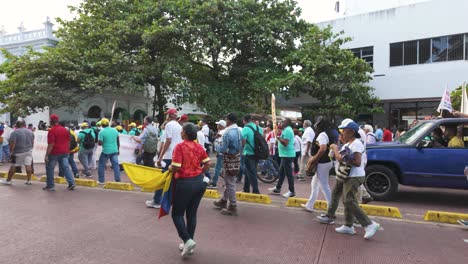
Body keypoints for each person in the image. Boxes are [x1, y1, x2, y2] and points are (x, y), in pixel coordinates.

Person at [323, 119, 381, 239]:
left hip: (355, 176)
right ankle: (348, 225)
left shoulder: (356, 144)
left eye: (343, 130)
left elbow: (357, 162)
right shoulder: (349, 144)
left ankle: (369, 224)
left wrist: (337, 151)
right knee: (347, 200)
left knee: (349, 201)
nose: (342, 132)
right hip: (349, 175)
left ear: (351, 131)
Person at [169, 122, 211, 257]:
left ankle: (187, 240)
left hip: (185, 183)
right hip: (199, 183)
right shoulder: (199, 146)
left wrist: (170, 168)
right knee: (191, 214)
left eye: (182, 131)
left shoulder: (180, 146)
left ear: (186, 133)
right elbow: (207, 163)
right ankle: (190, 243)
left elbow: (175, 166)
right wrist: (201, 173)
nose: (180, 133)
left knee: (177, 214)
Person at [147, 108, 182, 209]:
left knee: (163, 179)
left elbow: (168, 141)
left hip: (168, 156)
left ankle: (157, 200)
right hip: (176, 156)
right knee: (173, 180)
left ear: (170, 116)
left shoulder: (169, 125)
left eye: (167, 114)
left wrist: (160, 157)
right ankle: (169, 200)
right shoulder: (179, 126)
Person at [300, 116, 335, 211]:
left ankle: (331, 208)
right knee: (314, 184)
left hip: (322, 163)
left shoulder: (322, 135)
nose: (315, 125)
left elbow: (323, 149)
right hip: (326, 161)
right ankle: (310, 205)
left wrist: (313, 159)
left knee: (324, 186)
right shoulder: (328, 133)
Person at [213, 113, 242, 215]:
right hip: (237, 157)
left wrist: (216, 143)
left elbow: (223, 149)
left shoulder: (227, 132)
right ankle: (224, 200)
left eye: (226, 119)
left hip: (229, 158)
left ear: (229, 120)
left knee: (230, 182)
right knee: (230, 180)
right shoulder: (239, 130)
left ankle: (233, 206)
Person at [44, 114, 76, 191]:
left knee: (50, 168)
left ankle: (50, 185)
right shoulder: (64, 129)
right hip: (65, 152)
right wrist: (67, 150)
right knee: (66, 167)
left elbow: (51, 144)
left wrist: (46, 155)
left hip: (55, 152)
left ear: (51, 121)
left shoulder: (52, 131)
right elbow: (68, 142)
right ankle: (71, 182)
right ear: (57, 121)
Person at [0, 119, 34, 185]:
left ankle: (8, 180)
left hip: (18, 152)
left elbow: (12, 144)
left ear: (17, 125)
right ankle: (29, 180)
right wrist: (30, 148)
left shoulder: (15, 132)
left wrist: (10, 152)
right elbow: (32, 142)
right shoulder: (30, 132)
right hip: (28, 151)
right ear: (24, 124)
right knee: (28, 165)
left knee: (13, 166)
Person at [268, 118, 296, 198]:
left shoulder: (287, 130)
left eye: (283, 122)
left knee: (289, 174)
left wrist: (278, 137)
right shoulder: (287, 130)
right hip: (285, 154)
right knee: (281, 172)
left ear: (287, 123)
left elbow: (285, 143)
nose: (281, 123)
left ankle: (292, 191)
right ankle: (278, 188)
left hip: (287, 155)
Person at [241, 114, 262, 194]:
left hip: (248, 152)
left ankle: (256, 190)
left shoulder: (245, 128)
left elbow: (243, 142)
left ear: (244, 120)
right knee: (248, 171)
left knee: (251, 172)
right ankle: (246, 189)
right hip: (257, 152)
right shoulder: (259, 128)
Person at [97, 118, 121, 184]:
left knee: (101, 165)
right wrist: (118, 150)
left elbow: (100, 143)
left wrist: (100, 141)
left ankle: (101, 180)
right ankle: (117, 180)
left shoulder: (101, 132)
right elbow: (118, 141)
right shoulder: (115, 130)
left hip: (106, 151)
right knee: (116, 165)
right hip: (114, 150)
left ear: (102, 124)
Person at [209, 120, 227, 189]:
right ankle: (226, 183)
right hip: (223, 152)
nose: (217, 125)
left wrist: (217, 152)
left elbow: (219, 142)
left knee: (217, 168)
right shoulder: (224, 131)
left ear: (222, 125)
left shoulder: (222, 132)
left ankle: (214, 183)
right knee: (224, 169)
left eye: (218, 124)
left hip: (221, 153)